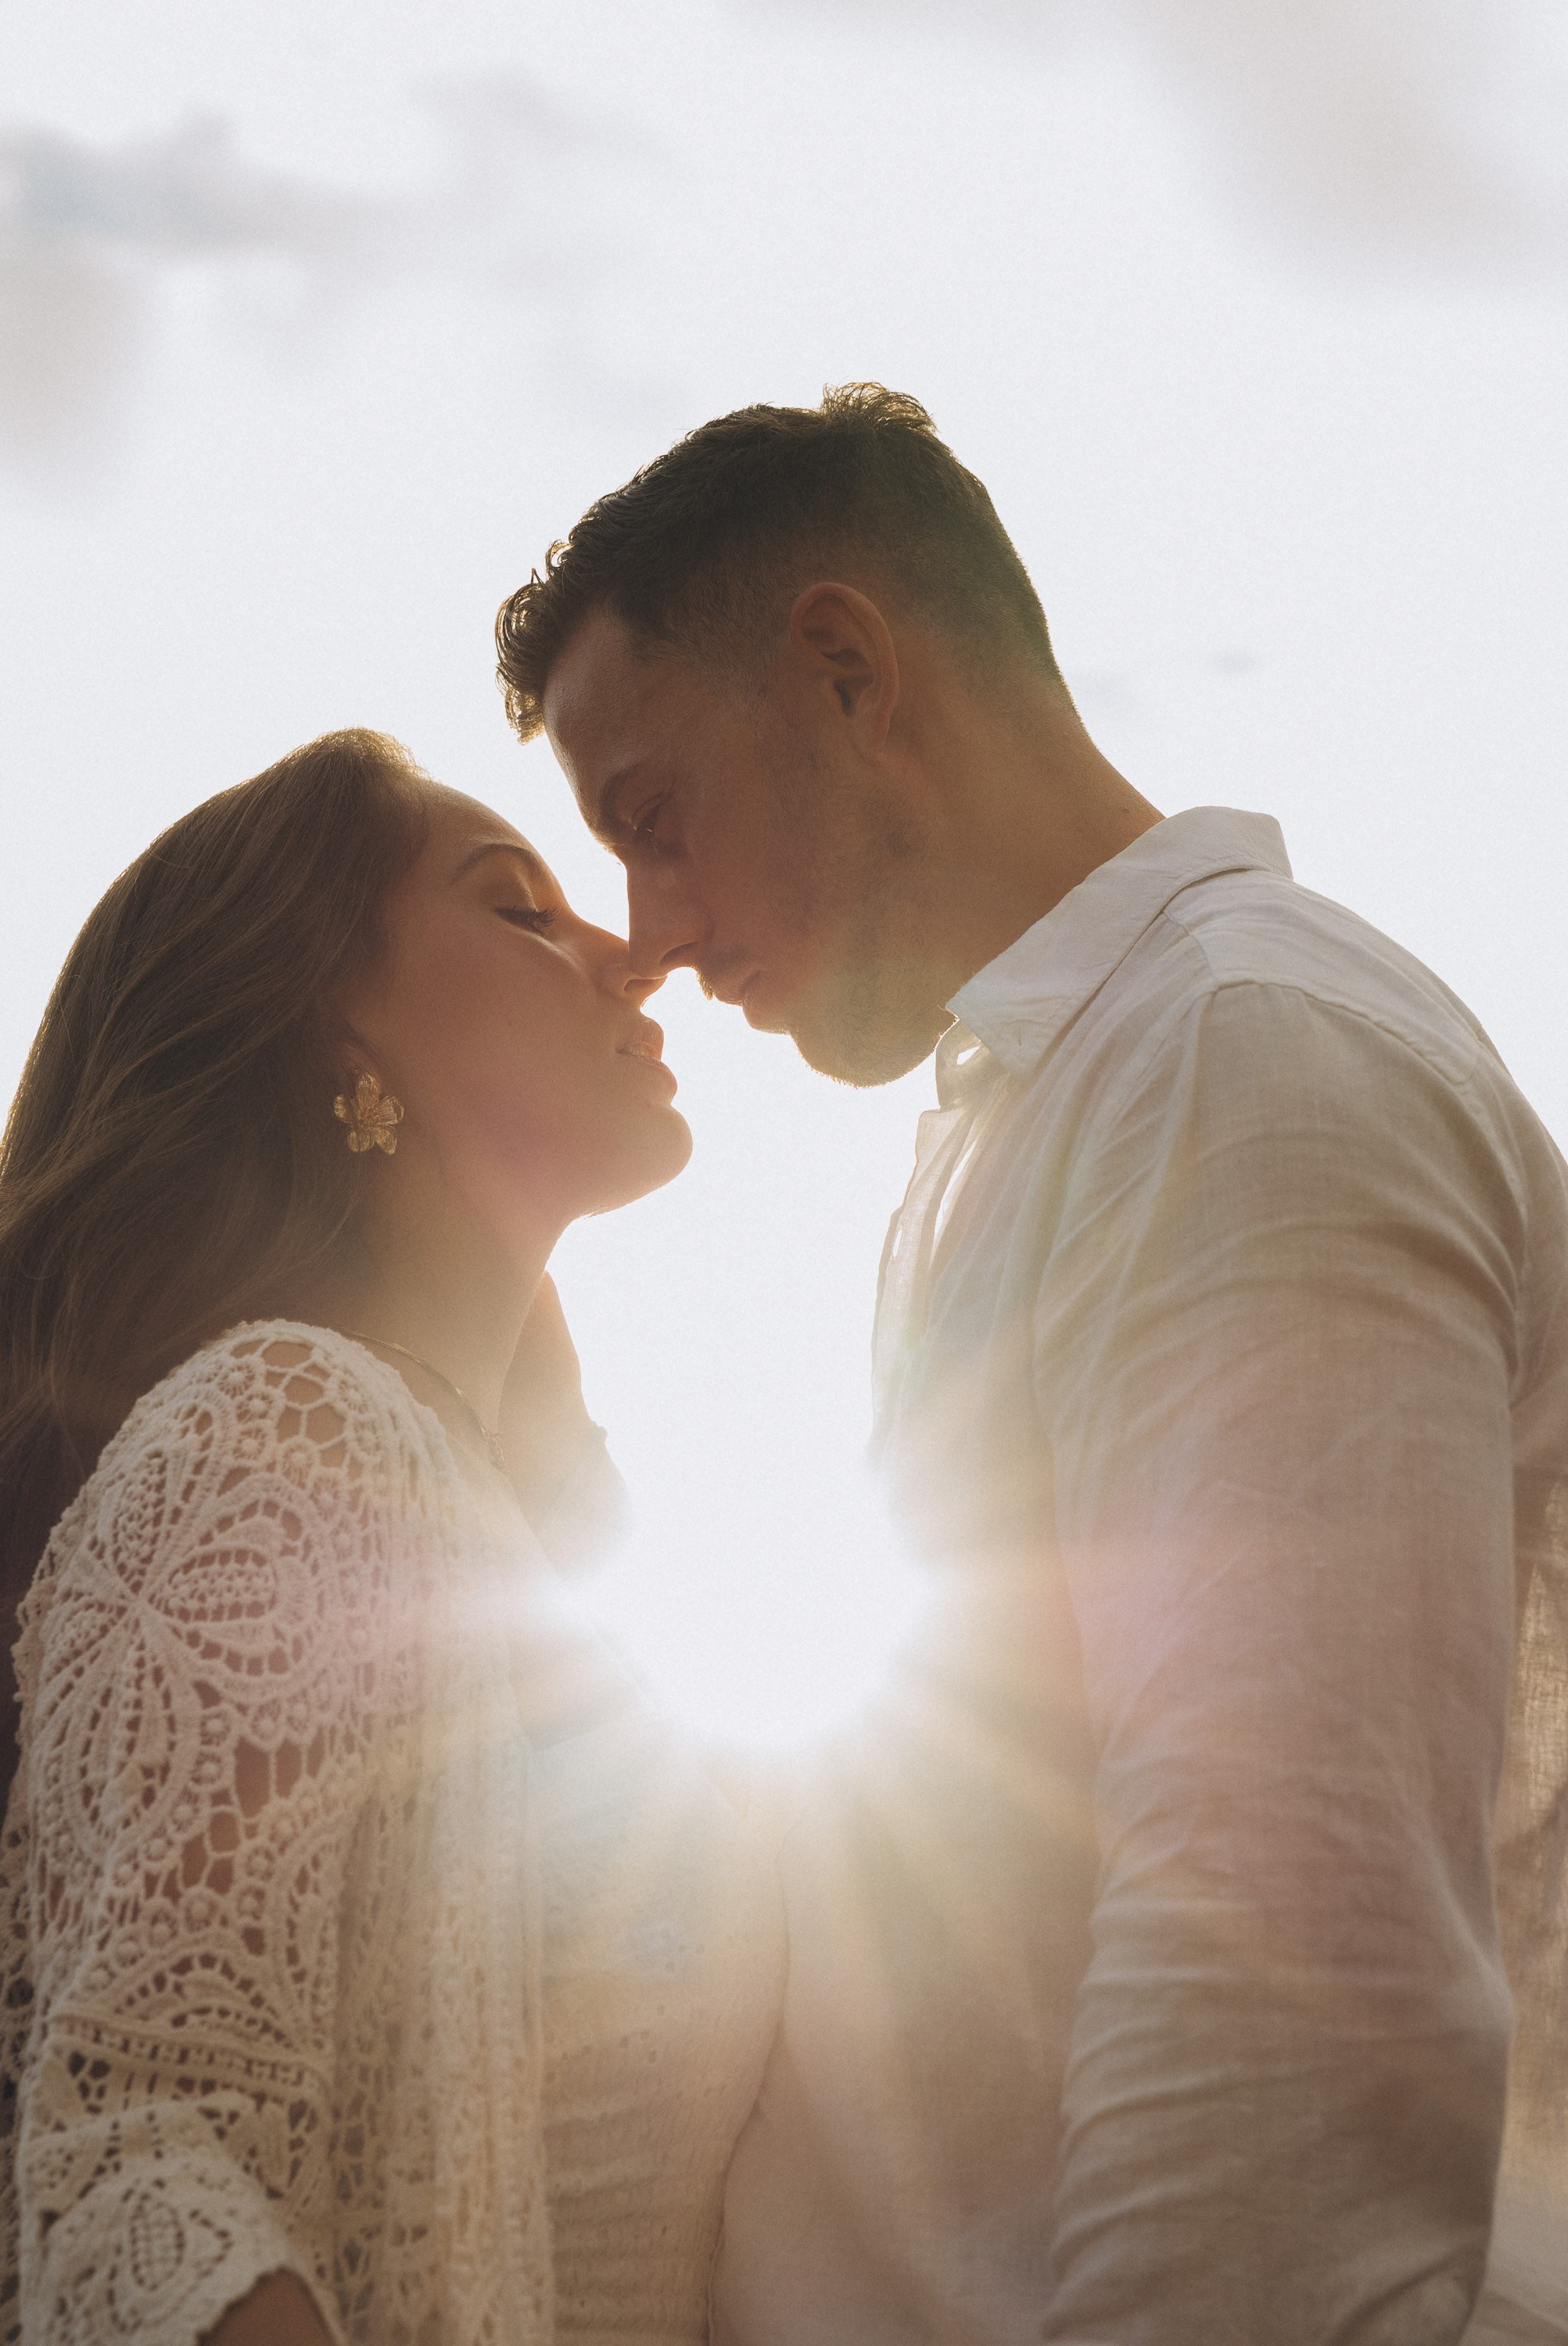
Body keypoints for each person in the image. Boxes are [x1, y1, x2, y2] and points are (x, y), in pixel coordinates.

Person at [497, 386, 1568, 2344]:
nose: (644, 934)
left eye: (654, 820)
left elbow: (1278, 1977)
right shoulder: (1034, 1105)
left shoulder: (1244, 1067)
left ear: (844, 671)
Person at [0, 730, 785, 2344]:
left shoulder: (505, 1540)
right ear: (330, 1027)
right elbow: (142, 2157)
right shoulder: (281, 1423)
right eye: (518, 908)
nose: (632, 955)